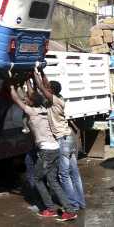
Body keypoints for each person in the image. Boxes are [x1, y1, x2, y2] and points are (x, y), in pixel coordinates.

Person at [10, 82, 78, 222]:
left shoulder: (32, 112)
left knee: (37, 178)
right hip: (54, 148)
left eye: (28, 99)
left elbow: (16, 100)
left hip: (47, 150)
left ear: (32, 102)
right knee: (52, 180)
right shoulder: (45, 109)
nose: (26, 100)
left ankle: (52, 208)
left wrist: (10, 86)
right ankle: (67, 209)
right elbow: (33, 96)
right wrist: (29, 81)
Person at [33, 71, 86, 212]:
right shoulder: (58, 98)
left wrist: (34, 73)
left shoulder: (55, 100)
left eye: (48, 88)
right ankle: (80, 202)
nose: (46, 89)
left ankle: (73, 204)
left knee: (63, 175)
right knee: (74, 173)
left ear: (52, 91)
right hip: (69, 138)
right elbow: (45, 85)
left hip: (63, 140)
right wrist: (42, 72)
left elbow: (42, 88)